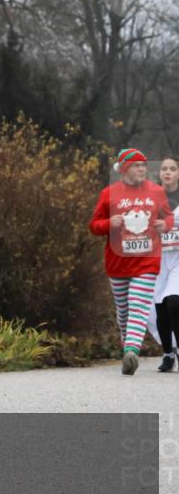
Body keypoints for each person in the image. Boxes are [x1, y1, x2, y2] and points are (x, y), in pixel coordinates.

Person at [88, 149, 173, 375]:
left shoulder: (156, 191)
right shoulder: (109, 193)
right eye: (136, 165)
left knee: (139, 304)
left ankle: (131, 352)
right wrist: (109, 224)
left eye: (144, 165)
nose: (142, 169)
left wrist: (165, 225)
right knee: (124, 310)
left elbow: (168, 216)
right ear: (125, 168)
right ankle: (128, 343)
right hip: (118, 262)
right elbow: (94, 225)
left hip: (147, 260)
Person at [146, 156, 179, 372]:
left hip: (178, 258)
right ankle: (168, 354)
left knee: (174, 302)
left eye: (173, 169)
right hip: (157, 258)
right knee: (159, 308)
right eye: (164, 169)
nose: (168, 172)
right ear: (159, 174)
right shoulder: (151, 198)